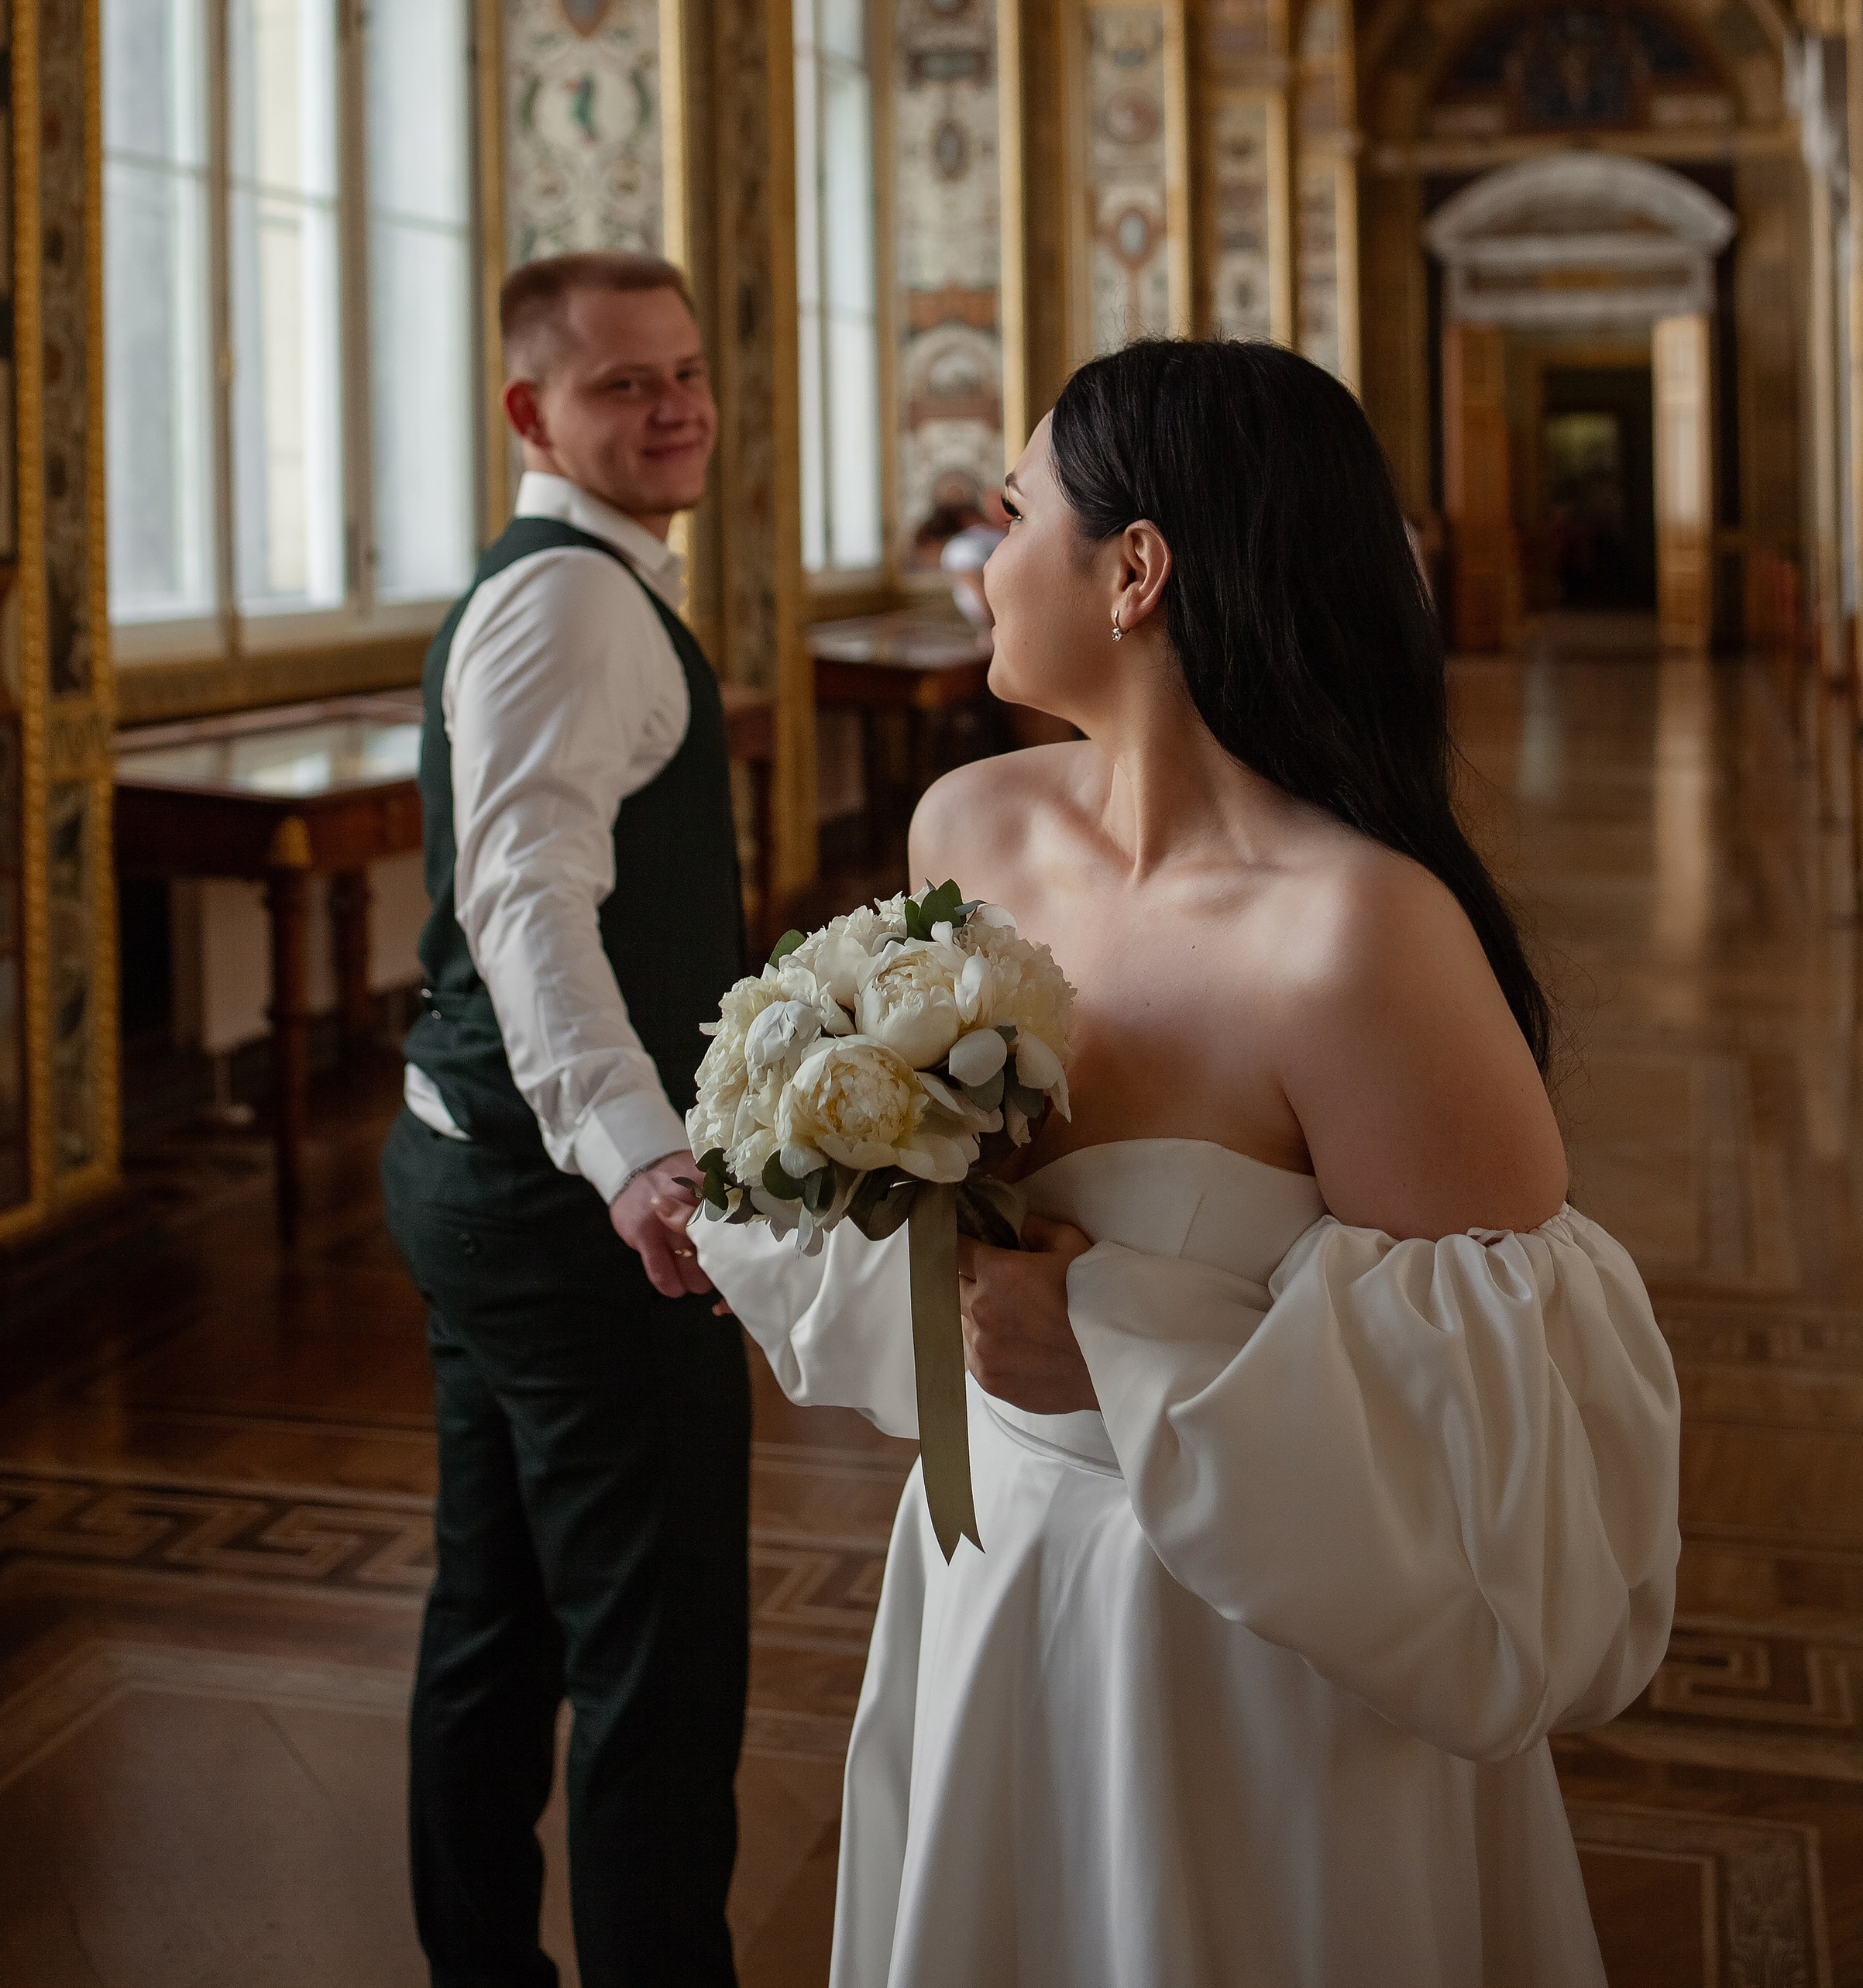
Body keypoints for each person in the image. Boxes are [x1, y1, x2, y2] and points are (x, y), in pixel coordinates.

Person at [699, 338, 1680, 1988]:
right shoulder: (966, 831)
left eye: (1014, 513)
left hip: (1249, 1642)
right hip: (991, 1555)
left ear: (1135, 570)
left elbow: (1509, 1412)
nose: (982, 559)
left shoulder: (1355, 937)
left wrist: (1122, 1344)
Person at [383, 251, 751, 1988]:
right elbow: (528, 902)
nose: (676, 407)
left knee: (498, 1620)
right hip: (561, 1219)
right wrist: (637, 1158)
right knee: (654, 1666)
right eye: (625, 383)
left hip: (477, 1177)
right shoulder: (578, 602)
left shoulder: (585, 584)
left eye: (686, 372)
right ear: (532, 410)